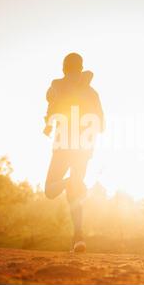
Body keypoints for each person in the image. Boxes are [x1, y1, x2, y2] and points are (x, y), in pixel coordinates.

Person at [43, 52, 104, 252]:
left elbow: (51, 108)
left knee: (50, 190)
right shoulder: (92, 92)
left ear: (63, 68)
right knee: (75, 192)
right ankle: (79, 237)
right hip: (83, 149)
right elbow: (101, 124)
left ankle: (70, 183)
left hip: (62, 147)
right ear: (81, 68)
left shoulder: (57, 86)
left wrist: (49, 124)